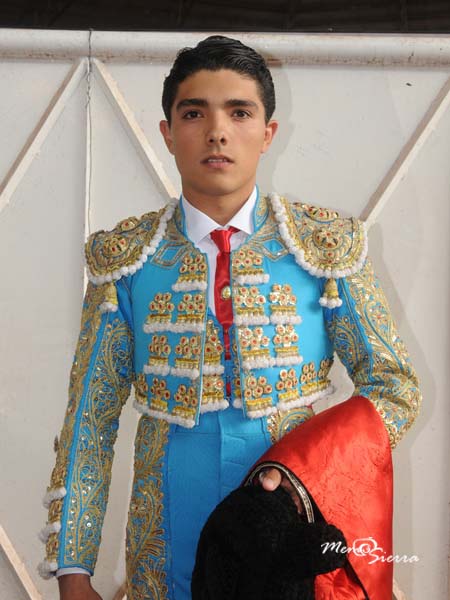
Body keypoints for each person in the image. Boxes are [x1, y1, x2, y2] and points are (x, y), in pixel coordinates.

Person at [38, 35, 421, 600]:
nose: (217, 132)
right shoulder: (128, 259)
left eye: (239, 113)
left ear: (268, 132)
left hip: (288, 513)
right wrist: (73, 570)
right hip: (166, 527)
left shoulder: (325, 246)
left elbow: (394, 388)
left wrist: (304, 469)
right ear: (167, 132)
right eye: (194, 113)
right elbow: (90, 420)